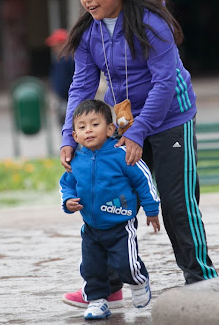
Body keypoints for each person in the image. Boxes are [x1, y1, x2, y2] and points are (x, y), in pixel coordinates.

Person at [59, 0, 218, 309]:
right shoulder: (89, 34)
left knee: (177, 204)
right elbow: (82, 86)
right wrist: (70, 134)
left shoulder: (151, 21)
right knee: (108, 197)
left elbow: (164, 83)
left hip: (171, 118)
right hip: (129, 124)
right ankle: (109, 287)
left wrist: (138, 130)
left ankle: (201, 281)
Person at [60, 99, 160, 320]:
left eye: (95, 125)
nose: (89, 131)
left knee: (126, 264)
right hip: (91, 227)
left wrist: (152, 210)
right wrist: (68, 202)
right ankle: (97, 301)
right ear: (74, 135)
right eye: (82, 127)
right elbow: (66, 184)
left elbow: (144, 181)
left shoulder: (121, 154)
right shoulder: (76, 161)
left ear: (110, 129)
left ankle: (138, 282)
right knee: (91, 267)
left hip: (120, 224)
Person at [46, 28, 76, 126]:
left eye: (55, 45)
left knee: (67, 126)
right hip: (67, 98)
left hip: (67, 99)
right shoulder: (68, 57)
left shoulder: (64, 59)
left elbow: (62, 83)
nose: (53, 48)